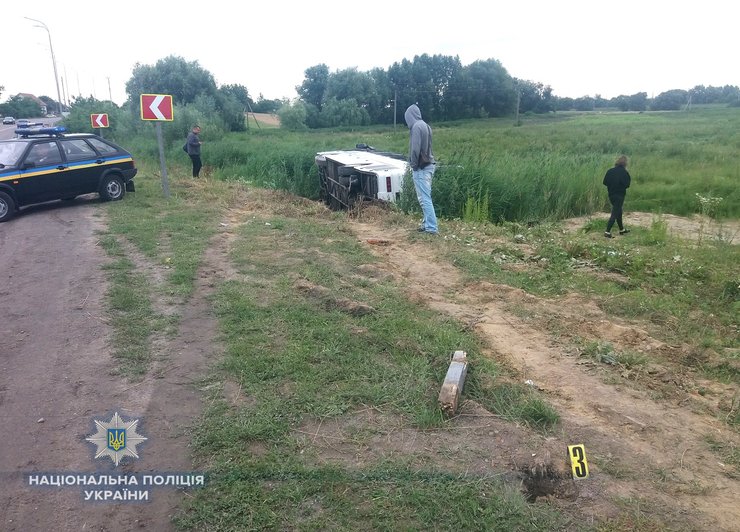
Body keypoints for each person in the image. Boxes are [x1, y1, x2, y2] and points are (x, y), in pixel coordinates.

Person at [404, 104, 438, 234]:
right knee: (425, 197)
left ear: (410, 116)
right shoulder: (426, 125)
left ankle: (431, 227)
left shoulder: (416, 127)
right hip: (429, 164)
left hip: (421, 167)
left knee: (424, 198)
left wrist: (413, 164)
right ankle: (426, 224)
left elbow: (415, 149)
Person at [603, 155, 631, 238]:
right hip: (620, 195)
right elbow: (627, 185)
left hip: (611, 194)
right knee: (615, 213)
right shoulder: (625, 173)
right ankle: (607, 231)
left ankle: (621, 229)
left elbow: (605, 182)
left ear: (617, 162)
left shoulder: (610, 171)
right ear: (625, 164)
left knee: (619, 211)